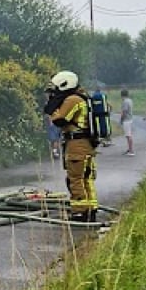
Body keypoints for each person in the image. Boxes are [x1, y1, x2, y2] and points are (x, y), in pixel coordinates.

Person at [44, 70, 99, 222]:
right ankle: (91, 209)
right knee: (86, 179)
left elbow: (60, 119)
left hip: (77, 145)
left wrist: (53, 110)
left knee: (75, 178)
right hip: (86, 144)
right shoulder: (83, 97)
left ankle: (80, 212)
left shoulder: (72, 100)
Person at [119, 89, 136, 157]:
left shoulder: (125, 102)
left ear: (122, 95)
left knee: (128, 136)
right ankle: (129, 149)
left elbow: (124, 112)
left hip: (126, 120)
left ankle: (131, 151)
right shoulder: (130, 100)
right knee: (128, 135)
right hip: (130, 119)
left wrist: (121, 120)